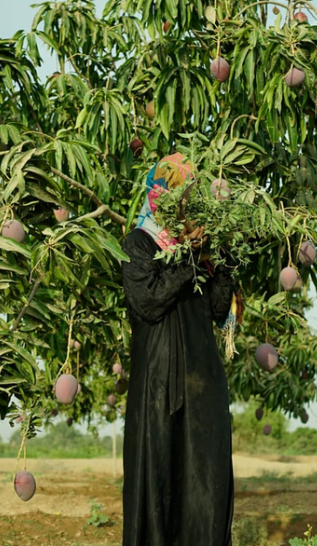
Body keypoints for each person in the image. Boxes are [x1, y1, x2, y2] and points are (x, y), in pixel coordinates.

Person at [120, 153, 236, 546]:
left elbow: (218, 310)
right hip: (157, 391)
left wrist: (224, 263)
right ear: (156, 195)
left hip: (203, 387)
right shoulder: (137, 244)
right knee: (159, 485)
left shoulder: (198, 250)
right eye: (168, 191)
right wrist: (189, 255)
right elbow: (148, 301)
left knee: (205, 485)